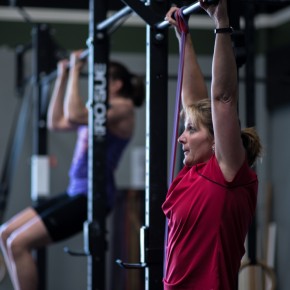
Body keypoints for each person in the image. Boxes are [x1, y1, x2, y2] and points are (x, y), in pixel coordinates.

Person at [0, 51, 145, 290]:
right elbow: (56, 122)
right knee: (5, 233)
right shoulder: (99, 111)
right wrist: (63, 77)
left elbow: (74, 114)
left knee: (18, 244)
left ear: (117, 84)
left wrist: (76, 70)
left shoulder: (123, 108)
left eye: (102, 79)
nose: (96, 84)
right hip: (75, 191)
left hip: (92, 197)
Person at [162, 1, 262, 290]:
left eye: (190, 131)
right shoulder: (194, 173)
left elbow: (224, 99)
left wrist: (221, 21)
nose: (181, 137)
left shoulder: (227, 173)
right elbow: (193, 102)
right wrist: (184, 37)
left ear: (217, 140)